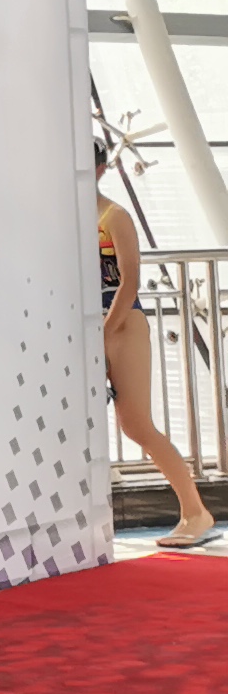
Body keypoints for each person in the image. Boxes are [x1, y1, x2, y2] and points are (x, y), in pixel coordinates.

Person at [97, 138, 214, 545]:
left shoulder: (114, 216)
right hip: (93, 328)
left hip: (121, 324)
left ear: (99, 169)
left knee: (136, 423)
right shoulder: (68, 219)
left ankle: (195, 510)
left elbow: (129, 283)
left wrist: (104, 334)